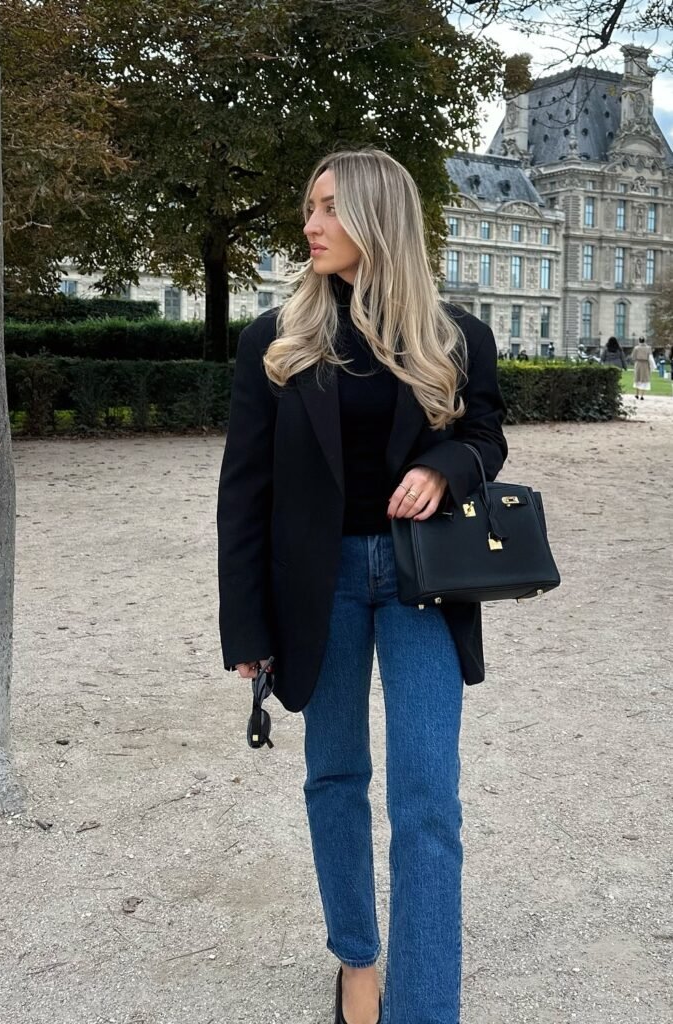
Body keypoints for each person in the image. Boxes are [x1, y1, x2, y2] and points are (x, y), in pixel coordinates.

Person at [217, 148, 507, 1024]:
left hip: (422, 579)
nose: (310, 224)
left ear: (379, 217)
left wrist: (446, 467)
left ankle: (426, 1010)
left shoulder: (454, 335)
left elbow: (486, 436)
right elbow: (246, 490)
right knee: (335, 777)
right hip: (319, 586)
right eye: (309, 206)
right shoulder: (273, 339)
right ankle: (355, 960)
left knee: (428, 802)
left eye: (330, 208)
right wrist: (246, 628)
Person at [631, 335, 653, 400]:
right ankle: (642, 395)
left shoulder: (636, 348)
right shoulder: (648, 348)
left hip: (638, 364)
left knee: (637, 378)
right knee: (644, 379)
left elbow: (633, 357)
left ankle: (637, 394)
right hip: (645, 364)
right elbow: (650, 357)